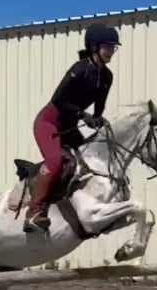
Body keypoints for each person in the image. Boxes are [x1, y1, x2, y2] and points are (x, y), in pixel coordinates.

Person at [23, 23, 121, 233]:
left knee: (87, 159)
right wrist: (83, 115)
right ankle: (33, 212)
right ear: (94, 46)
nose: (112, 51)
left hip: (69, 126)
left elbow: (99, 105)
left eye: (114, 47)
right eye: (108, 46)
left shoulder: (106, 76)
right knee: (55, 161)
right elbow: (58, 100)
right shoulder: (80, 69)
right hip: (49, 122)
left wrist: (97, 118)